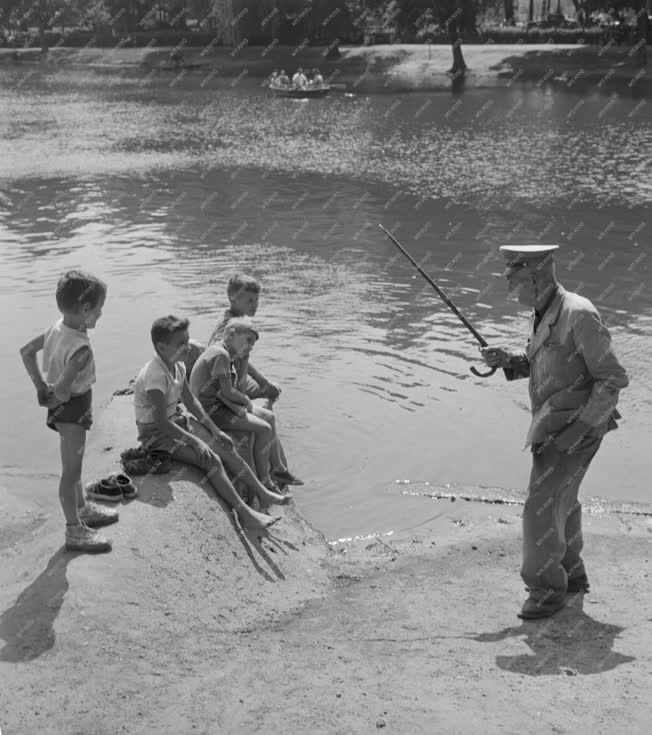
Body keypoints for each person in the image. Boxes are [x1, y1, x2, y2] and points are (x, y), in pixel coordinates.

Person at [481, 244, 629, 620]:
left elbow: (611, 379)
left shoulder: (578, 314)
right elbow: (550, 362)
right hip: (555, 424)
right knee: (563, 496)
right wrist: (511, 361)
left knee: (540, 506)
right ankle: (572, 573)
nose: (511, 290)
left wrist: (580, 430)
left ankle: (547, 590)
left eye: (514, 282)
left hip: (577, 427)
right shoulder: (544, 312)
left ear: (534, 277)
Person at [134, 315, 288, 532]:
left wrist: (215, 431)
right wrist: (196, 442)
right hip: (157, 435)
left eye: (187, 341)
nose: (188, 347)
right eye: (181, 344)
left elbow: (191, 402)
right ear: (161, 346)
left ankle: (262, 493)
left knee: (227, 447)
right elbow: (160, 422)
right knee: (211, 460)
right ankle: (246, 515)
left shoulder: (177, 365)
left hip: (178, 421)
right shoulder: (155, 376)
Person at [19, 271, 117, 553]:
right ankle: (74, 530)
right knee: (71, 472)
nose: (100, 314)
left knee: (73, 463)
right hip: (73, 409)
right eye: (98, 309)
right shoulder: (81, 349)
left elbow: (26, 351)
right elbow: (62, 391)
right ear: (86, 309)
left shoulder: (56, 328)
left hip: (64, 410)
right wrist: (53, 397)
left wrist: (40, 387)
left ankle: (83, 508)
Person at [207, 273, 303, 486]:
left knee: (271, 392)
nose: (255, 304)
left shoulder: (239, 320)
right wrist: (261, 381)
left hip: (234, 376)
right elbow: (225, 356)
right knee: (268, 395)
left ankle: (277, 464)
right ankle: (275, 466)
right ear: (233, 298)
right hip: (227, 382)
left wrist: (261, 381)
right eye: (249, 300)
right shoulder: (230, 326)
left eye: (257, 300)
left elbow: (242, 356)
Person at [191, 317, 296, 491]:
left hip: (221, 405)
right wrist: (246, 401)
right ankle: (264, 480)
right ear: (231, 334)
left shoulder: (226, 354)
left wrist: (244, 360)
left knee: (268, 416)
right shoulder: (220, 355)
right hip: (212, 411)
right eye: (248, 341)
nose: (250, 346)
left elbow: (237, 387)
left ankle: (279, 471)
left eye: (253, 345)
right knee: (265, 429)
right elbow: (228, 392)